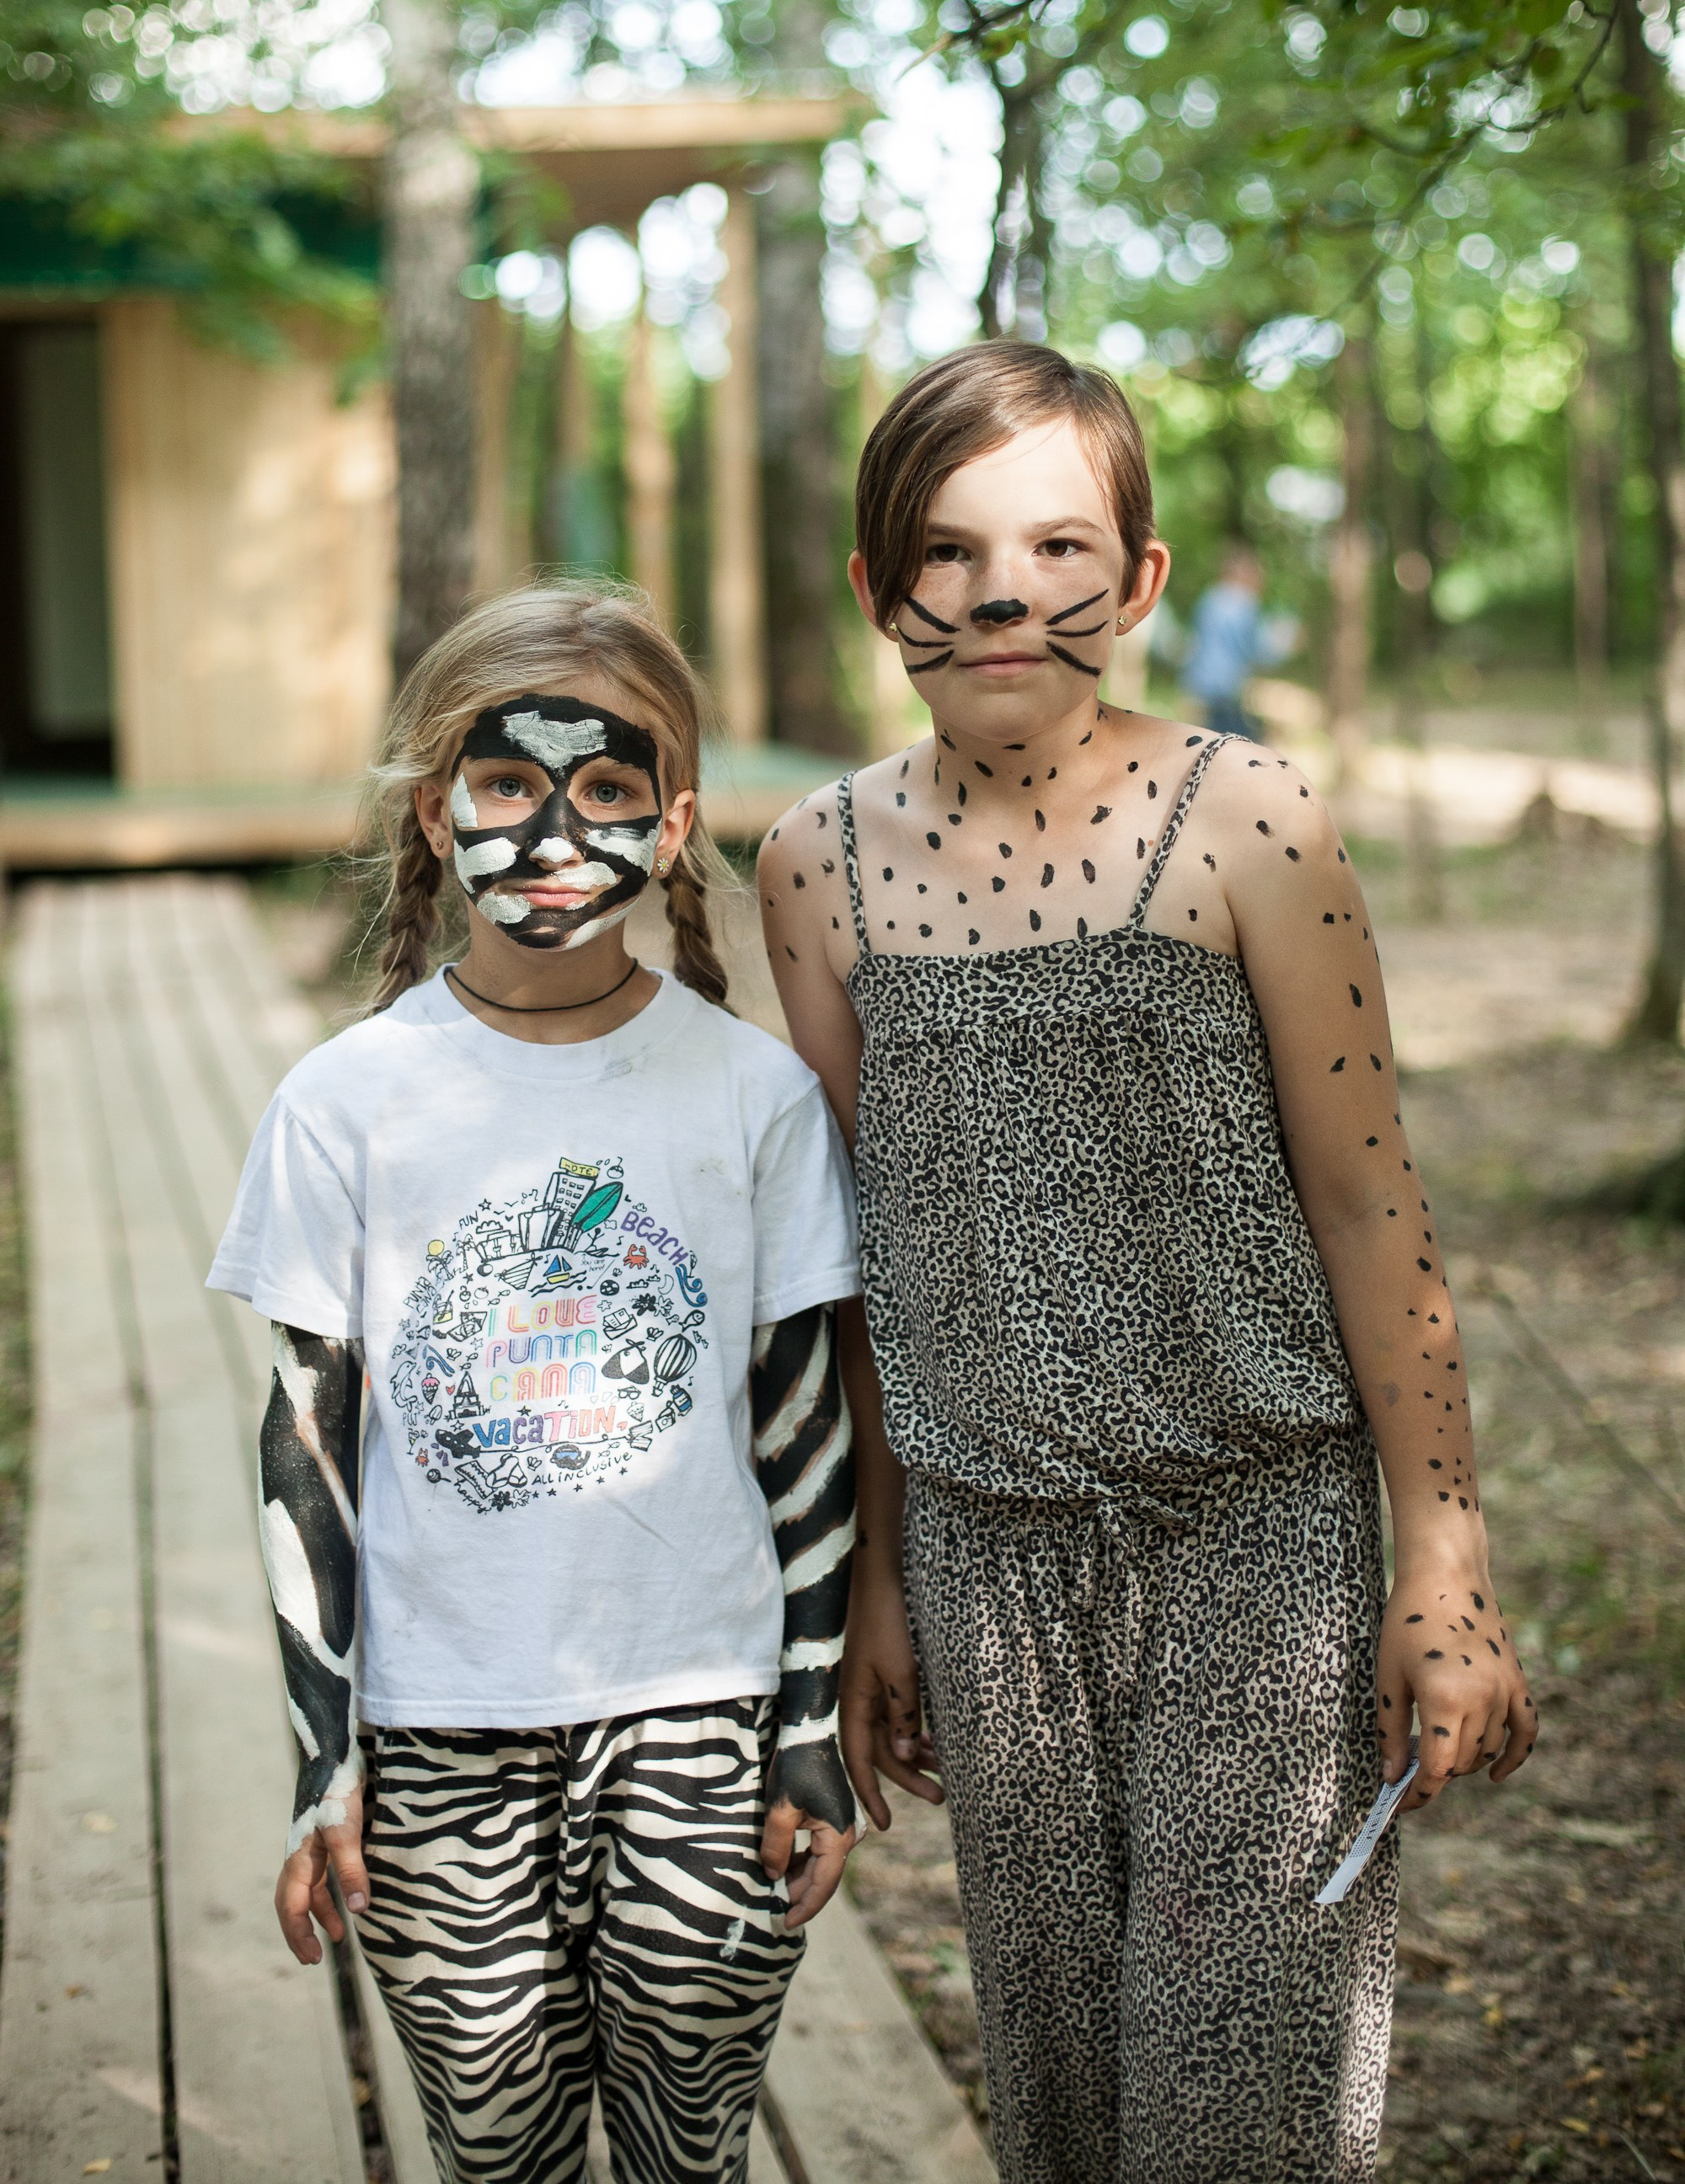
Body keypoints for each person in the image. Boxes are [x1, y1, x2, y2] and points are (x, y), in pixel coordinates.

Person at [758, 344, 1536, 2184]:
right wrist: (877, 1581)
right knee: (1066, 2093)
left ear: (1144, 579)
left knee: (1239, 2096)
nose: (1005, 592)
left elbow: (1371, 1212)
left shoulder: (1248, 822)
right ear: (879, 593)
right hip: (985, 1551)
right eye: (946, 555)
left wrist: (1443, 1561)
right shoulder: (815, 870)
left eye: (1055, 545)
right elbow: (849, 1269)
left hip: (1256, 1544)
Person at [209, 585, 862, 2184]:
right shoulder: (348, 1103)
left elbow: (802, 1425)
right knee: (495, 2150)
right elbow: (309, 1447)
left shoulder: (754, 1097)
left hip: (697, 1719)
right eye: (507, 787)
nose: (554, 831)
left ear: (674, 820)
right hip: (440, 1731)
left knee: (685, 2145)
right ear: (438, 814)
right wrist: (324, 1762)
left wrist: (807, 1728)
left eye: (607, 791)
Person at [1181, 541, 1293, 738]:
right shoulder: (1244, 603)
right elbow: (1259, 652)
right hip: (1224, 695)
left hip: (1198, 689)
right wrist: (1286, 640)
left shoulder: (1209, 598)